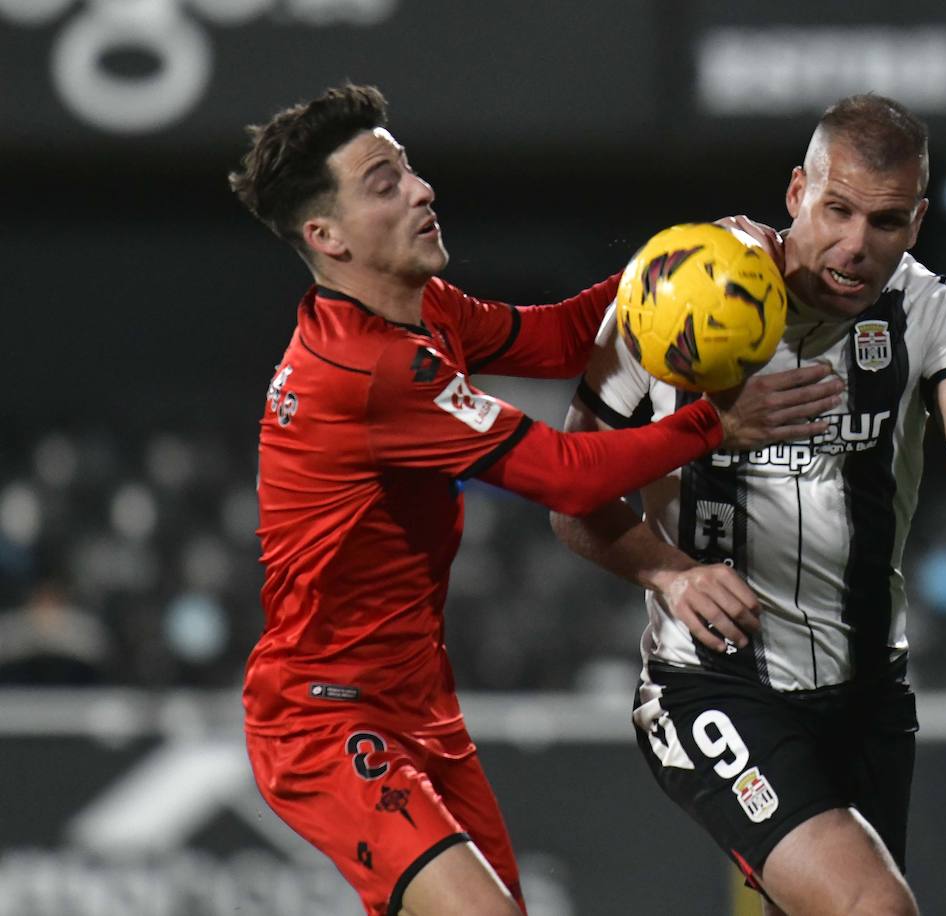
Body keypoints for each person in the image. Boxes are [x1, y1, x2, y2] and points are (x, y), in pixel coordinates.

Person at [228, 83, 843, 916]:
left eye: (409, 170)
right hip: (325, 718)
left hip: (417, 704)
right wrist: (711, 426)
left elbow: (555, 339)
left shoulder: (422, 312)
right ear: (325, 236)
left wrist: (681, 264)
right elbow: (567, 475)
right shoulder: (369, 373)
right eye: (384, 183)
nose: (421, 190)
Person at [551, 94, 946, 915]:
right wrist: (672, 574)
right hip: (713, 686)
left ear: (919, 222)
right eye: (837, 210)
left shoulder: (928, 309)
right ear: (797, 193)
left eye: (888, 222)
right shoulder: (675, 291)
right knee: (875, 909)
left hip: (868, 698)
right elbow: (570, 490)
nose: (857, 245)